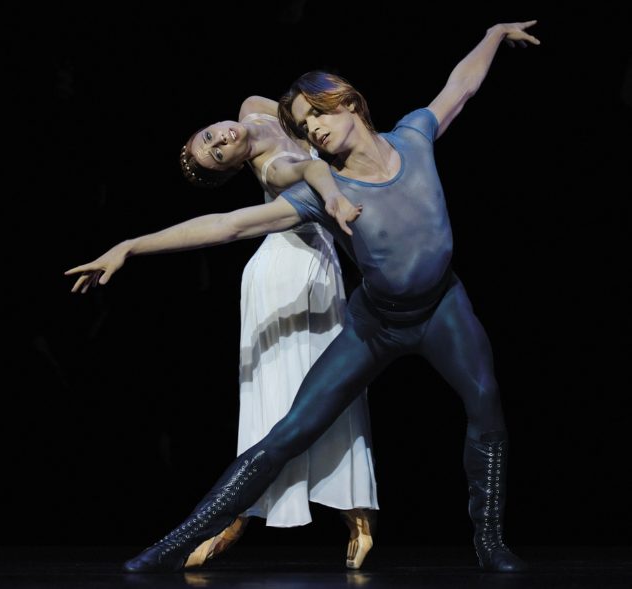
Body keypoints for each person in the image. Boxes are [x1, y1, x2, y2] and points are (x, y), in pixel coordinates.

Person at [65, 20, 540, 573]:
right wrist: (131, 245)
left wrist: (493, 34)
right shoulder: (318, 195)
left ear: (349, 103)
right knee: (291, 430)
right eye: (304, 122)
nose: (312, 128)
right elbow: (228, 225)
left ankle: (490, 542)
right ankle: (173, 544)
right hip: (375, 325)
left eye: (317, 114)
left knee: (485, 399)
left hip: (442, 308)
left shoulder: (414, 136)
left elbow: (462, 86)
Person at [180, 96, 378, 570]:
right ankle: (235, 514)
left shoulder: (253, 106)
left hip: (321, 268)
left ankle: (358, 512)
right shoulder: (275, 168)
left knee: (338, 388)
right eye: (219, 153)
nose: (221, 140)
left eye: (211, 137)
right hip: (282, 274)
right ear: (234, 166)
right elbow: (314, 170)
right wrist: (335, 192)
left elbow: (316, 120)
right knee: (274, 400)